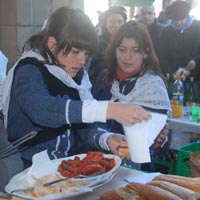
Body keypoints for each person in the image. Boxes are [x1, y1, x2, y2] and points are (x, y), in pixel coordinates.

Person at [0, 6, 150, 169]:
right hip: (26, 167)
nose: (82, 60)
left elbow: (83, 126)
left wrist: (106, 139)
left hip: (65, 165)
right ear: (52, 44)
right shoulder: (29, 69)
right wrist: (106, 109)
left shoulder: (76, 76)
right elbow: (41, 109)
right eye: (76, 51)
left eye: (86, 53)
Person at [93, 21, 171, 172]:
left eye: (135, 50)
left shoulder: (153, 84)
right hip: (99, 162)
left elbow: (159, 139)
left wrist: (159, 140)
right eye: (122, 49)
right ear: (114, 50)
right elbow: (90, 123)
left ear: (145, 53)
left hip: (137, 168)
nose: (127, 57)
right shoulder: (103, 78)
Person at [159, 0, 200, 102]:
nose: (179, 22)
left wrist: (195, 61)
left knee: (194, 105)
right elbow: (163, 56)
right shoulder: (166, 31)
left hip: (196, 78)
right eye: (175, 20)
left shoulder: (198, 27)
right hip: (175, 79)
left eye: (181, 19)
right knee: (176, 106)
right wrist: (171, 73)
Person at [88, 6, 127, 86]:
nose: (116, 25)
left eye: (120, 22)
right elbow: (98, 70)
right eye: (112, 22)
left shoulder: (128, 43)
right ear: (106, 24)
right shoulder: (99, 44)